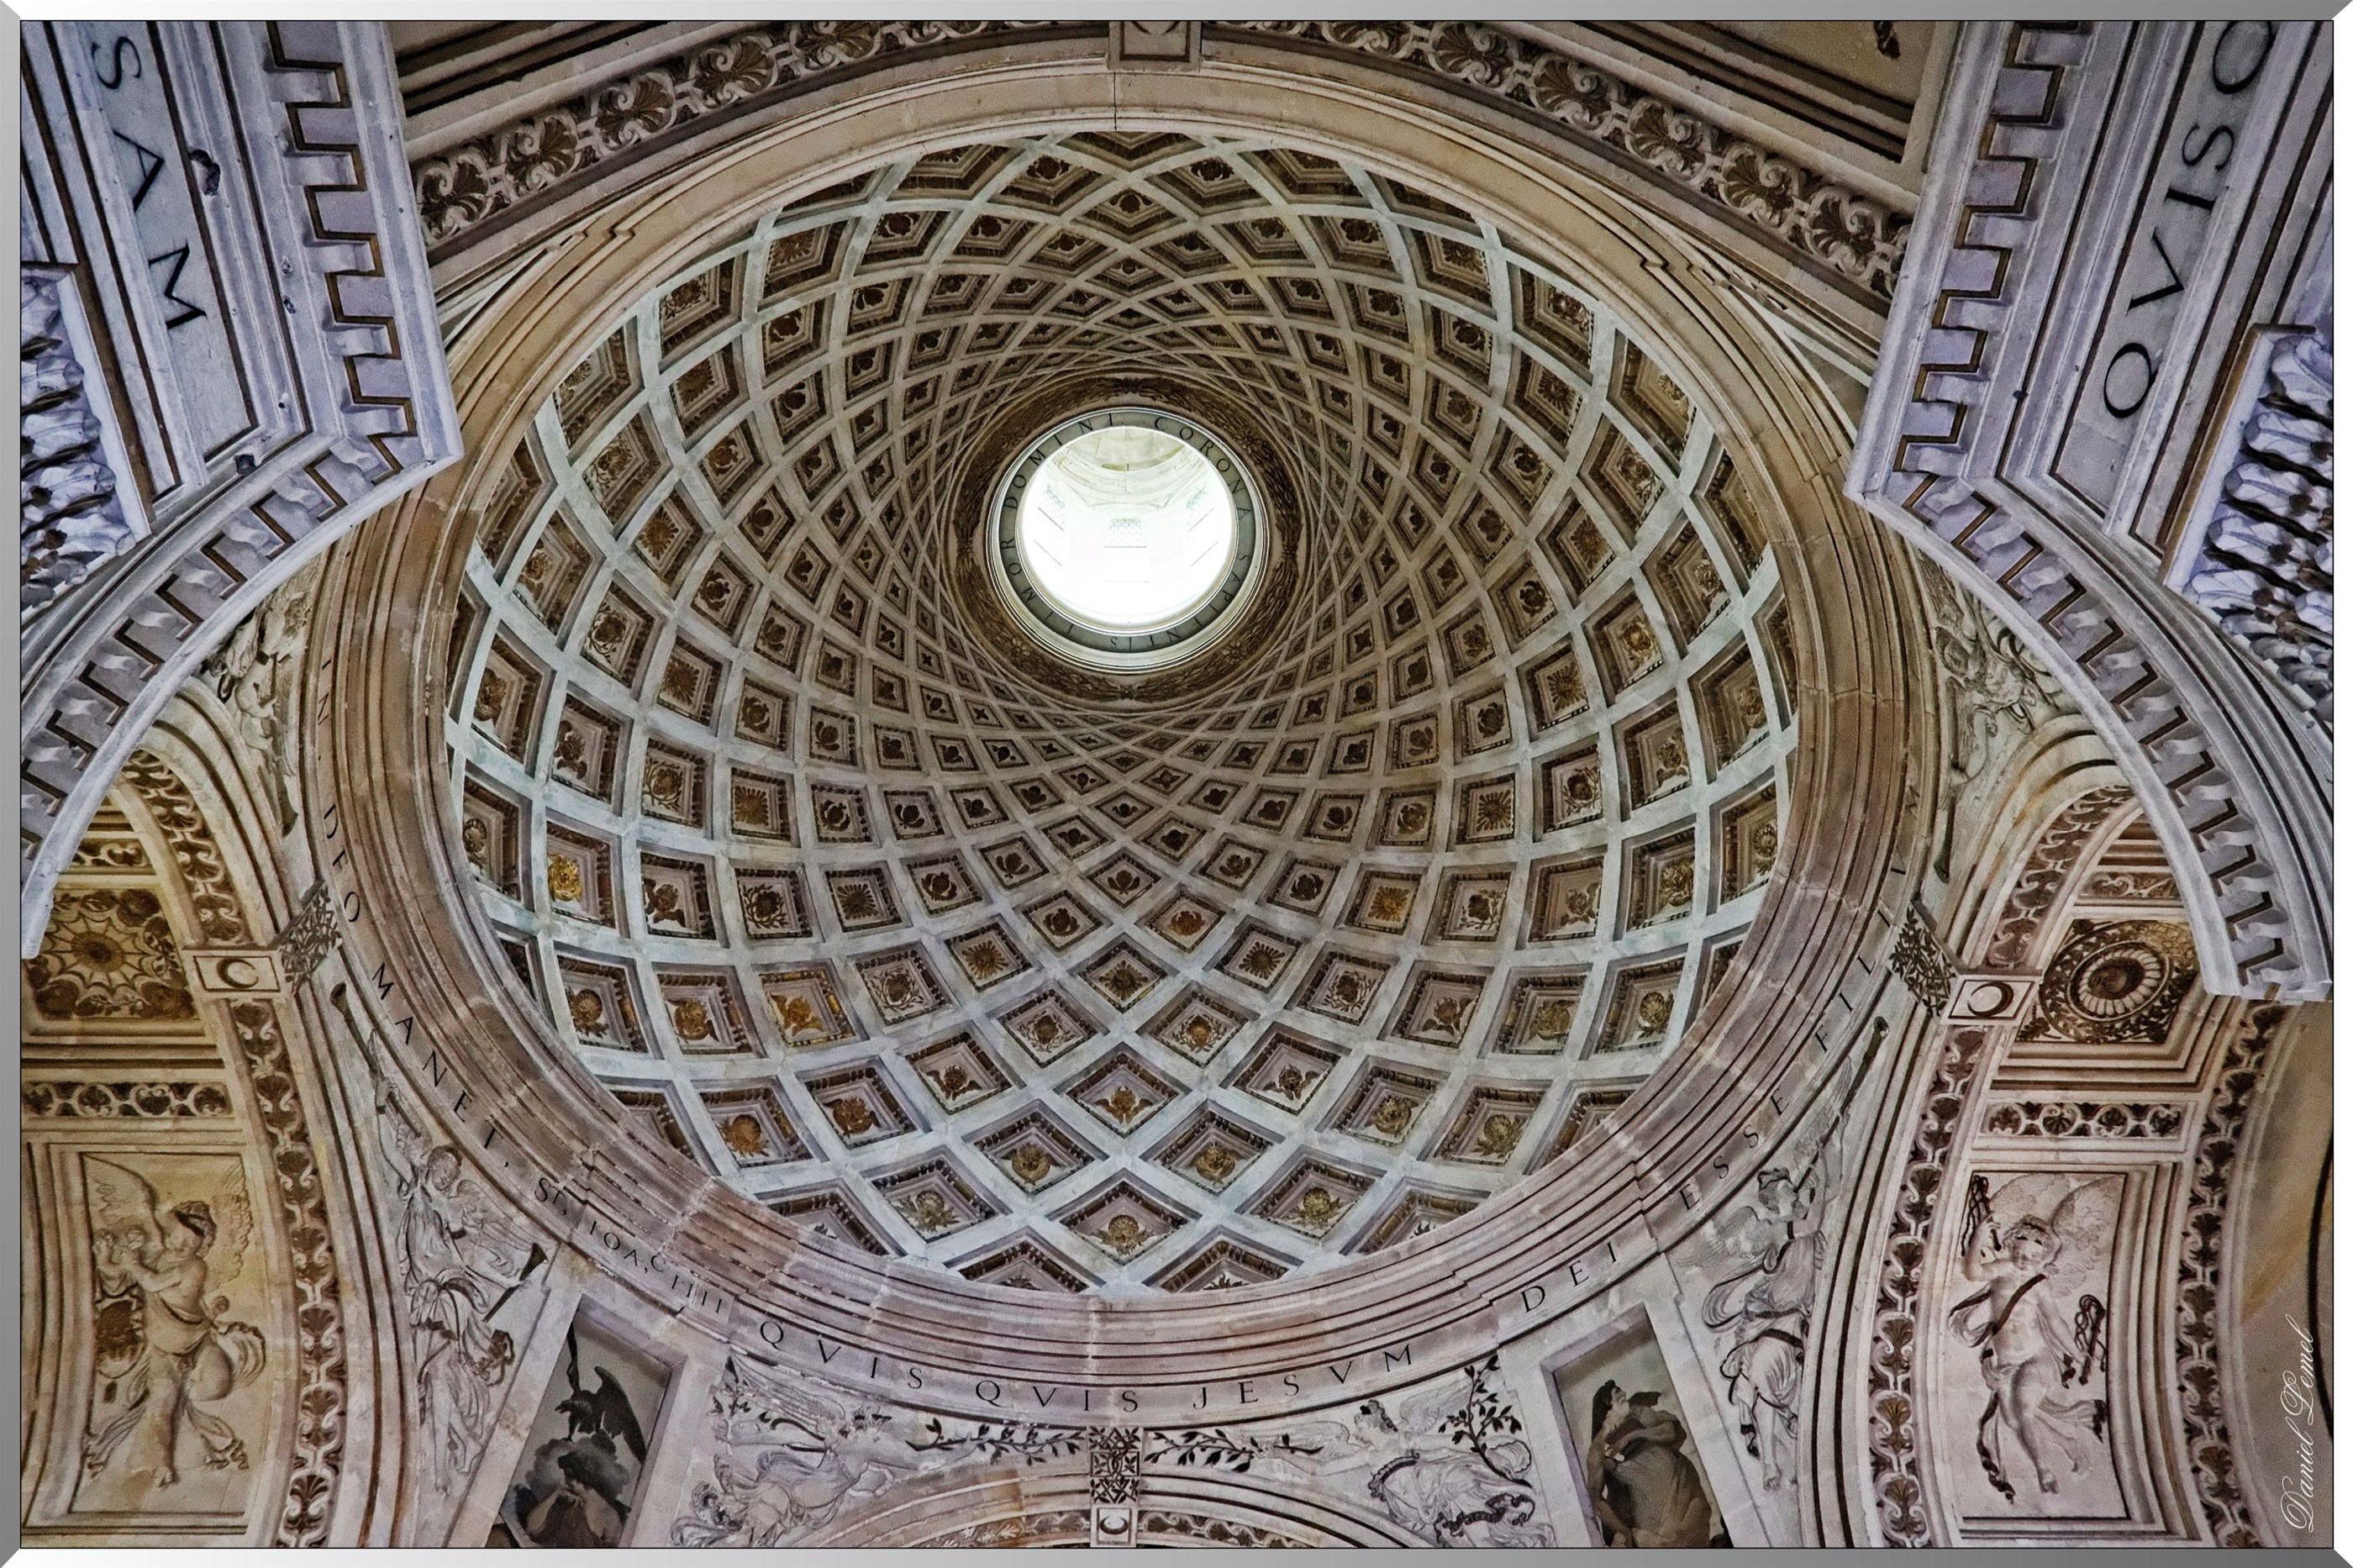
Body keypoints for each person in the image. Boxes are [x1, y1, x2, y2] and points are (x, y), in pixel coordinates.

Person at [1586, 1381, 1721, 1548]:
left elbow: (1670, 1431)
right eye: (1618, 1395)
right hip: (1653, 1516)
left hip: (1684, 1486)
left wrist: (1635, 1436)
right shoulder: (1597, 1450)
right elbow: (1595, 1500)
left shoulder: (1638, 1414)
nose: (1624, 1395)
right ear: (1608, 1406)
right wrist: (1623, 1531)